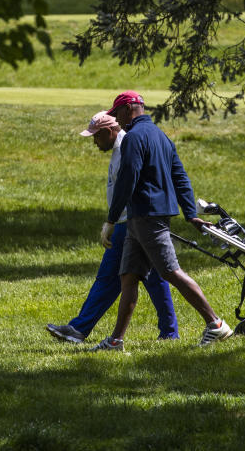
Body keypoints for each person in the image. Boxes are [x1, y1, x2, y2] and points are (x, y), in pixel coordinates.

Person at [88, 91, 233, 351]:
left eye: (117, 113)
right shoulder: (161, 136)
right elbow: (181, 177)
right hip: (143, 216)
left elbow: (128, 178)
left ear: (130, 109)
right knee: (129, 276)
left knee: (169, 271)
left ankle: (216, 324)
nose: (116, 120)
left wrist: (111, 220)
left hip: (147, 215)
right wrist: (190, 214)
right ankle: (116, 340)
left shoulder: (134, 137)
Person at [46, 111, 179, 344]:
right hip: (127, 221)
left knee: (145, 277)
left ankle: (174, 331)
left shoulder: (126, 147)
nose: (94, 143)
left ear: (109, 132)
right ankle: (80, 328)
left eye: (96, 137)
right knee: (131, 277)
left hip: (131, 222)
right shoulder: (119, 149)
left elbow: (128, 186)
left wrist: (112, 221)